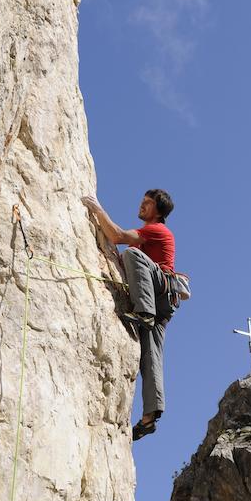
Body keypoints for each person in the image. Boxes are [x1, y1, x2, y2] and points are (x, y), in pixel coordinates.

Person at [82, 188, 176, 440]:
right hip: (164, 303)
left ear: (158, 210)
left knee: (132, 252)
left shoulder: (156, 230)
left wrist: (97, 209)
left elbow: (117, 236)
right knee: (151, 354)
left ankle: (143, 312)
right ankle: (150, 416)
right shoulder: (156, 232)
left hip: (156, 296)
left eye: (148, 203)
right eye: (143, 201)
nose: (142, 205)